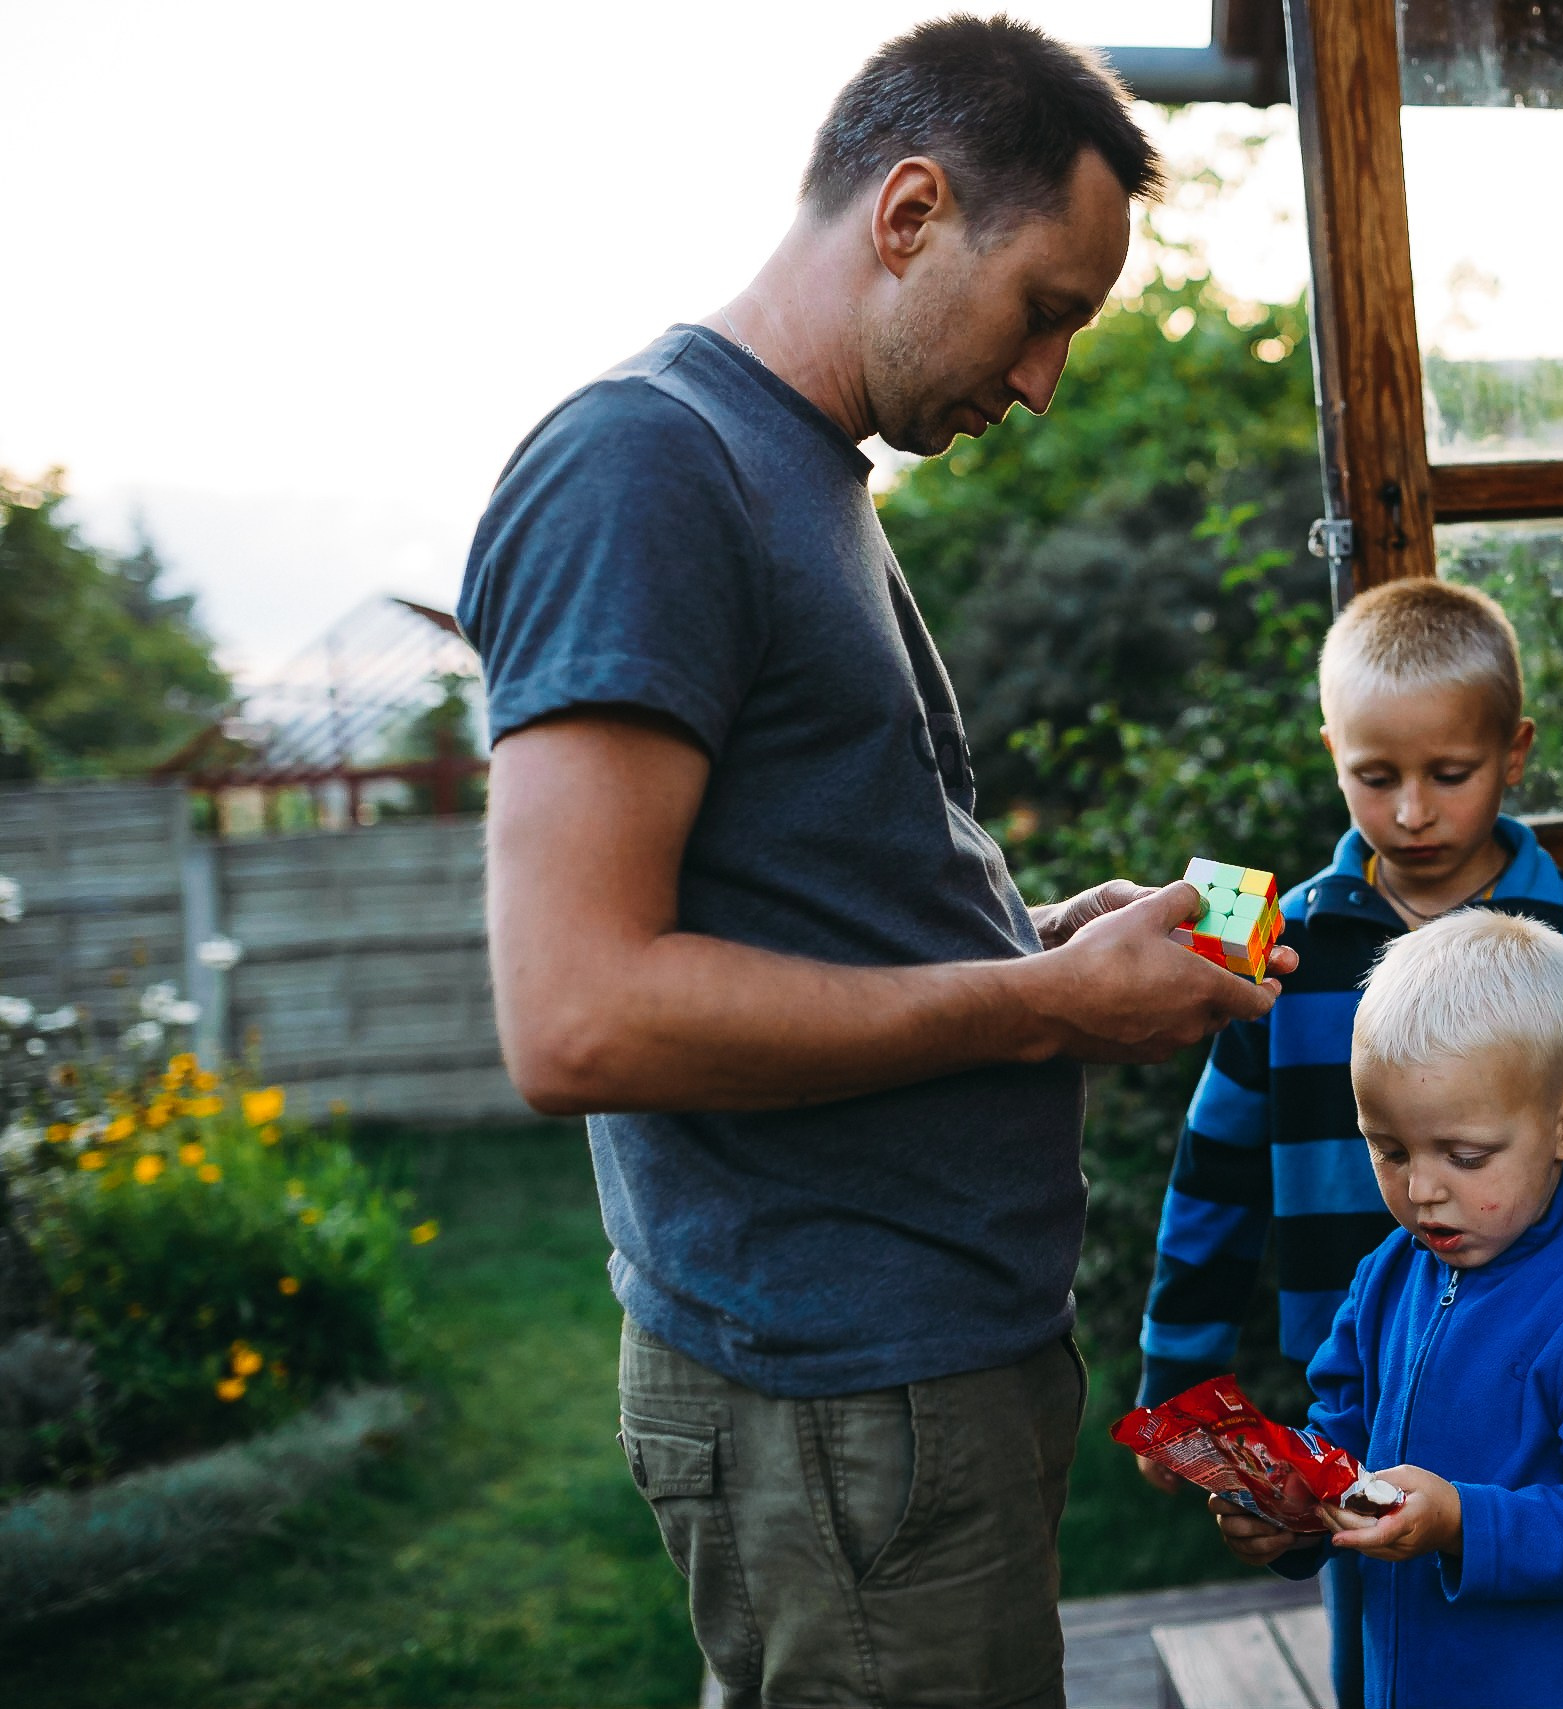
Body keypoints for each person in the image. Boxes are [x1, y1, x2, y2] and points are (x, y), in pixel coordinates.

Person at [456, 20, 1294, 1709]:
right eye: (1045, 306)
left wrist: (1048, 935)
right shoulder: (647, 466)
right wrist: (1041, 1002)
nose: (1047, 377)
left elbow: (814, 897)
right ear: (909, 212)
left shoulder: (800, 475)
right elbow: (579, 1015)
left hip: (909, 1396)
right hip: (838, 1409)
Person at [1132, 579, 1563, 1693]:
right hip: (1361, 1352)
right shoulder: (1274, 941)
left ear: (1514, 750)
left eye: (1449, 775)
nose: (1409, 814)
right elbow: (1214, 1169)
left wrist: (1533, 1199)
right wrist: (1179, 1371)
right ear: (1331, 750)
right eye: (1373, 776)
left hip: (1527, 1360)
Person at [1206, 910, 1563, 1709]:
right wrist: (1291, 1511)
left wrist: (1463, 1524)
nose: (1422, 1190)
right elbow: (1342, 1433)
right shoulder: (1386, 1275)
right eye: (1390, 1148)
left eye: (1465, 1156)